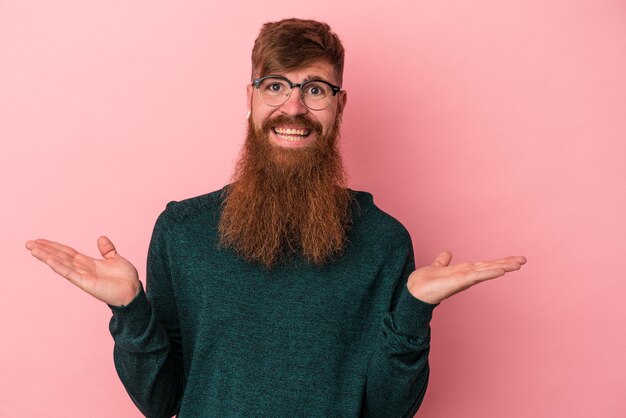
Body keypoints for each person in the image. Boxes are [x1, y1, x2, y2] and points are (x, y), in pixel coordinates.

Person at [25, 18, 526, 418]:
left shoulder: (384, 240)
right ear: (250, 99)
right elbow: (162, 403)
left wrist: (414, 309)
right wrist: (131, 310)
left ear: (339, 106)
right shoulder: (182, 231)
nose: (294, 107)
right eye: (276, 86)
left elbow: (390, 410)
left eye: (315, 90)